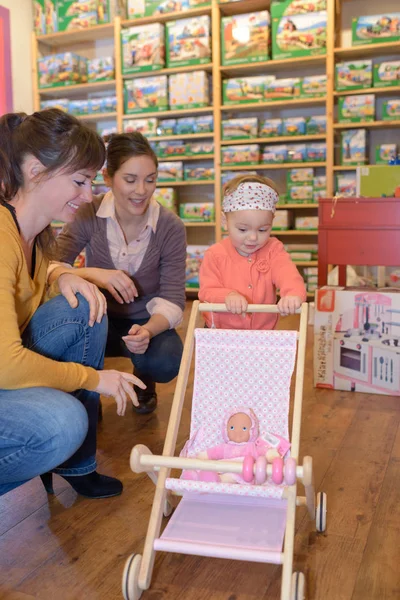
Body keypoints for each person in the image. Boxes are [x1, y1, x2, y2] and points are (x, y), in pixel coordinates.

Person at [0, 109, 146, 499]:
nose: (88, 195)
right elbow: (7, 365)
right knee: (62, 423)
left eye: (92, 181)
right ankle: (61, 450)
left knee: (84, 305)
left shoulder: (34, 231)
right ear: (34, 170)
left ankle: (76, 465)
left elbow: (37, 271)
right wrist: (95, 380)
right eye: (80, 181)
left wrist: (65, 274)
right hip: (3, 370)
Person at [48, 132, 186, 415]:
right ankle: (89, 389)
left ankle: (143, 379)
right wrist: (96, 274)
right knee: (63, 329)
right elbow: (50, 264)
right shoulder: (88, 213)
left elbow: (173, 298)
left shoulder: (170, 226)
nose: (142, 190)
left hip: (146, 320)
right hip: (97, 317)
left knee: (165, 360)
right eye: (131, 179)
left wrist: (148, 331)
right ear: (109, 178)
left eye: (150, 179)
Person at [199, 174, 307, 330]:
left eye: (263, 229)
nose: (253, 237)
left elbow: (288, 274)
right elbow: (207, 291)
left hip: (262, 332)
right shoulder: (215, 254)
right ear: (225, 222)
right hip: (221, 332)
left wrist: (293, 294)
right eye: (242, 229)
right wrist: (227, 296)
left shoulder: (273, 250)